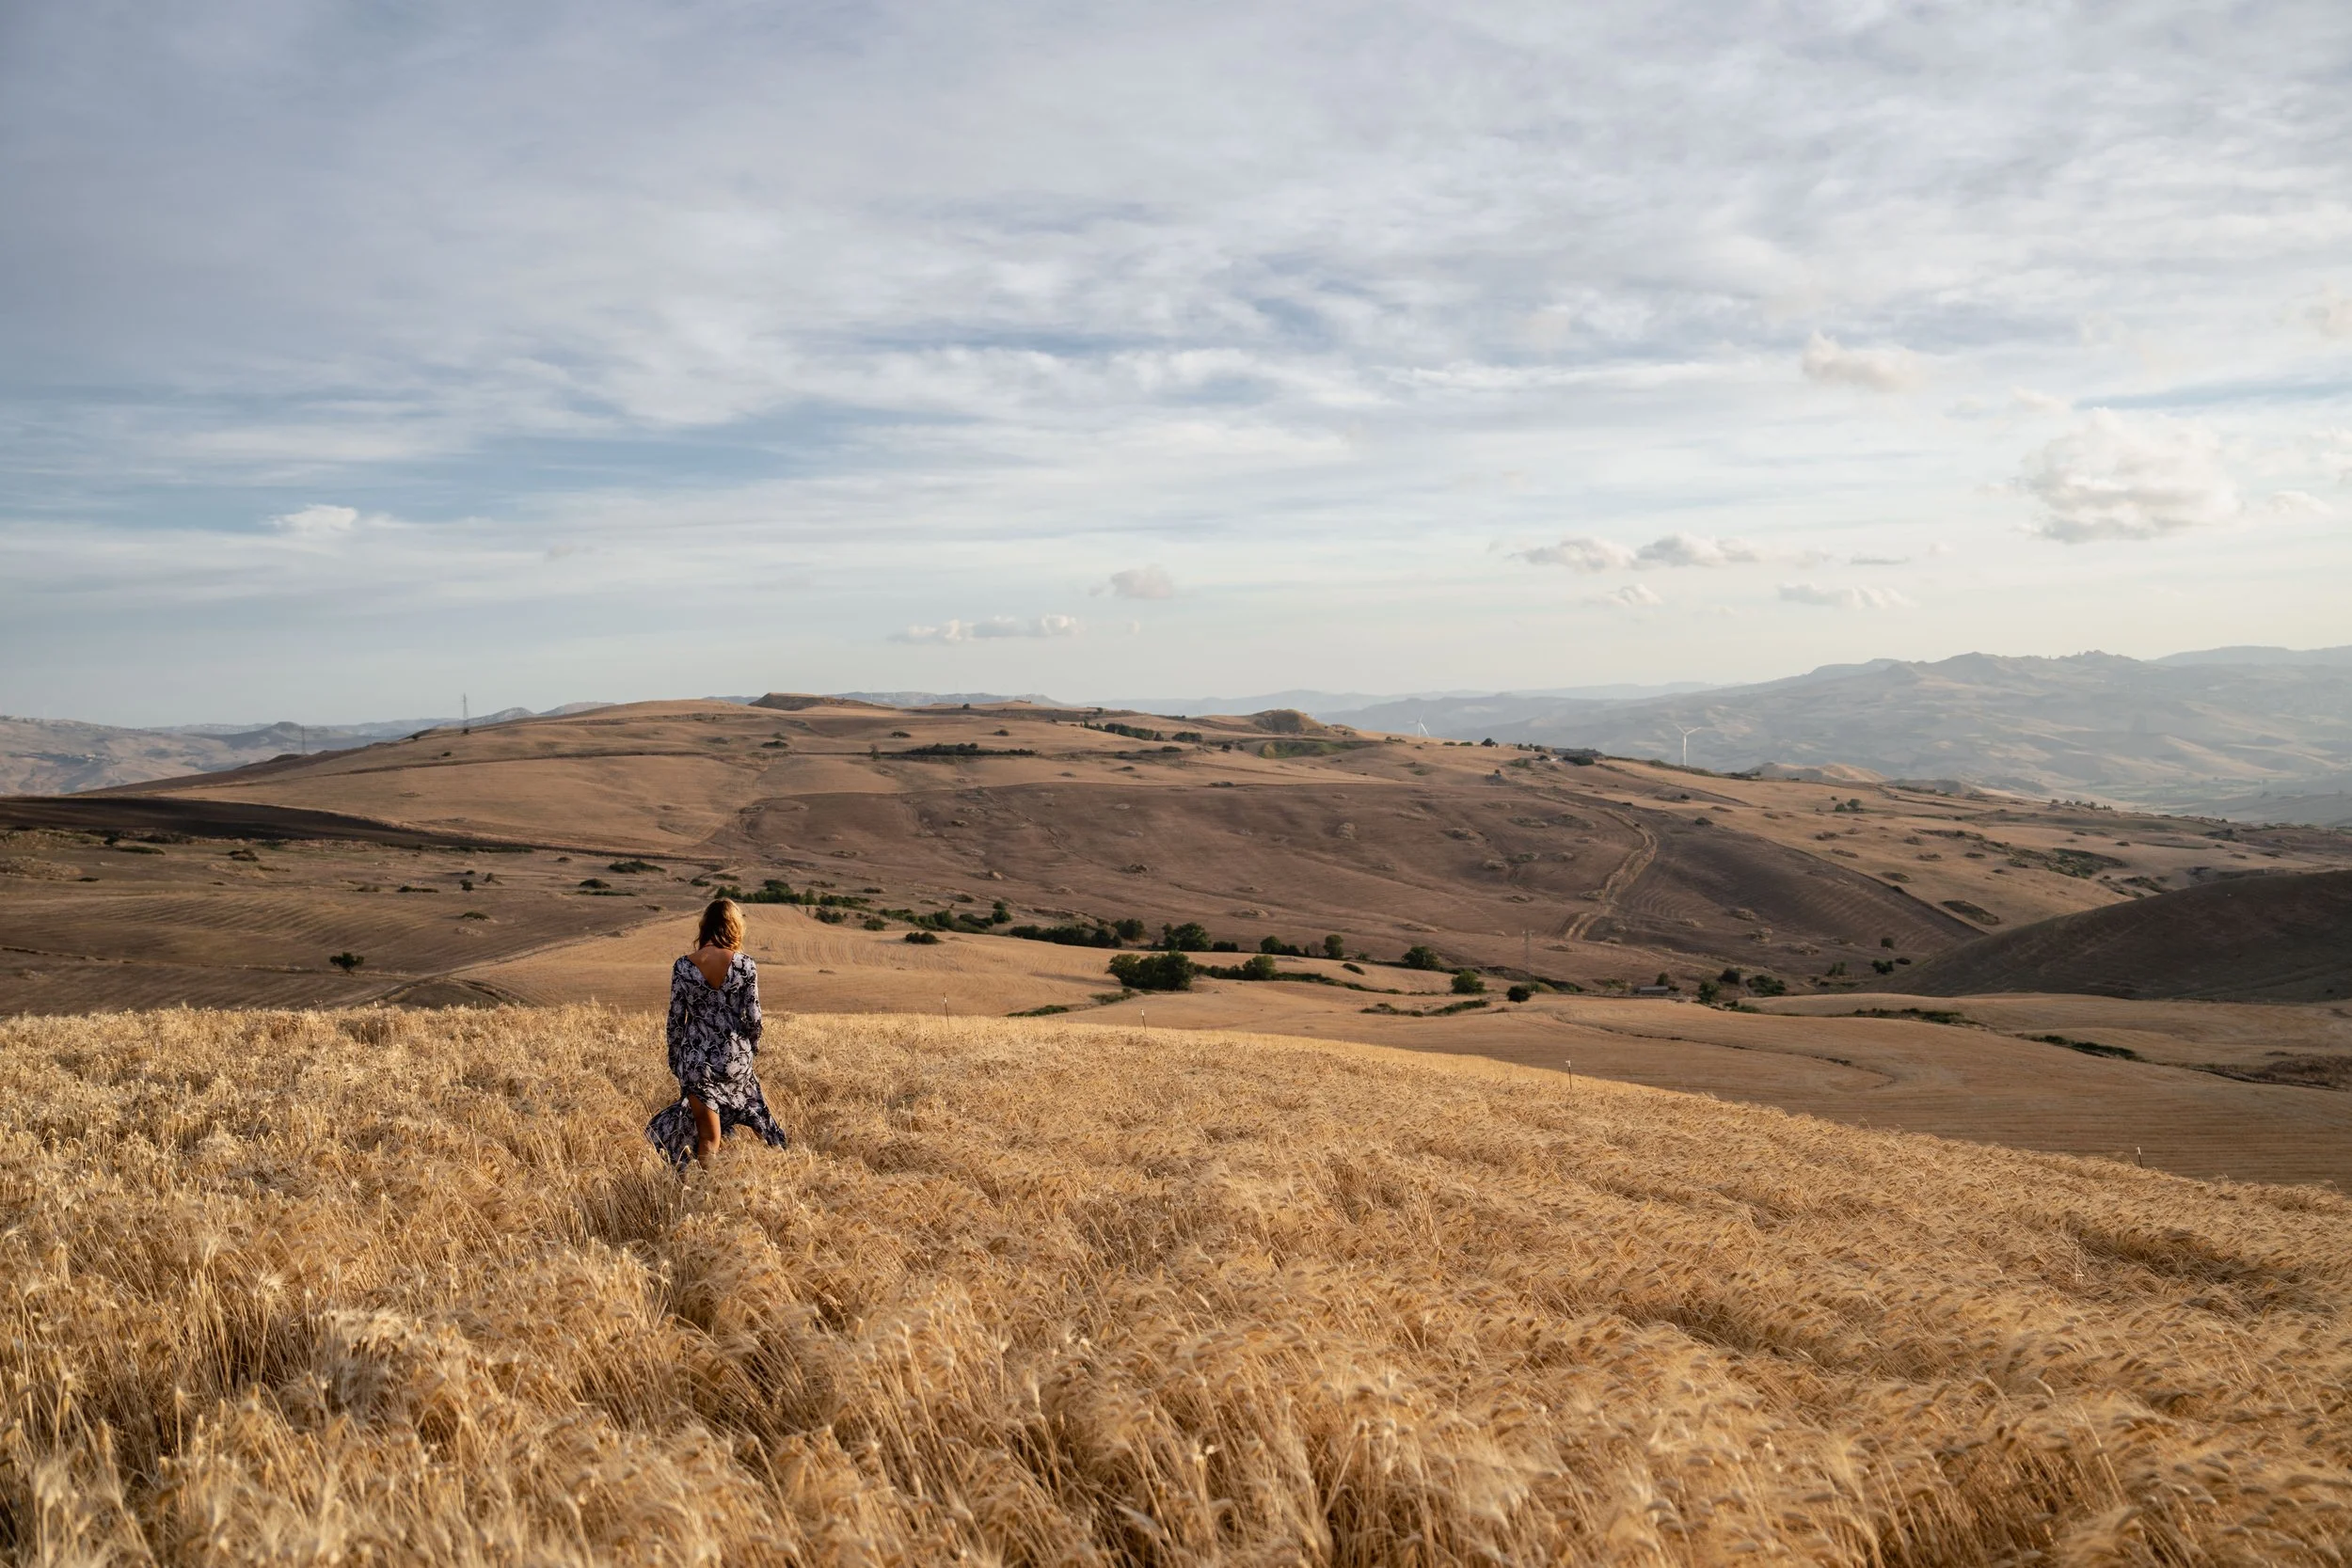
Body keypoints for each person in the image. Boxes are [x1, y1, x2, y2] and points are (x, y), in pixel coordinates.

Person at [645, 897, 789, 1171]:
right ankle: (783, 1174)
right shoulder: (745, 965)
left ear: (705, 927)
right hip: (735, 1060)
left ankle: (705, 1191)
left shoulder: (683, 966)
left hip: (697, 1064)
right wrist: (749, 1049)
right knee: (762, 1123)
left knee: (709, 1139)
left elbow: (676, 1020)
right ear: (734, 927)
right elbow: (754, 1018)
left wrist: (677, 1061)